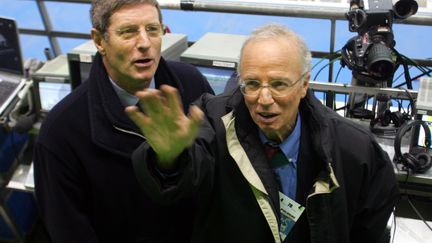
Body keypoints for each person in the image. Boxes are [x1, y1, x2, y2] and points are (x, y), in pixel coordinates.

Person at [127, 23, 399, 243]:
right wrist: (169, 160)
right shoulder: (213, 120)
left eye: (279, 84)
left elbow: (371, 227)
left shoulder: (354, 150)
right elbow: (181, 183)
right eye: (252, 84)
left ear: (304, 84)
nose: (264, 99)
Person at [33, 0, 213, 242]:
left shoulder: (192, 83)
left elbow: (217, 178)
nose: (145, 43)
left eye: (152, 29)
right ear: (99, 41)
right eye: (128, 32)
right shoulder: (61, 132)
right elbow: (69, 231)